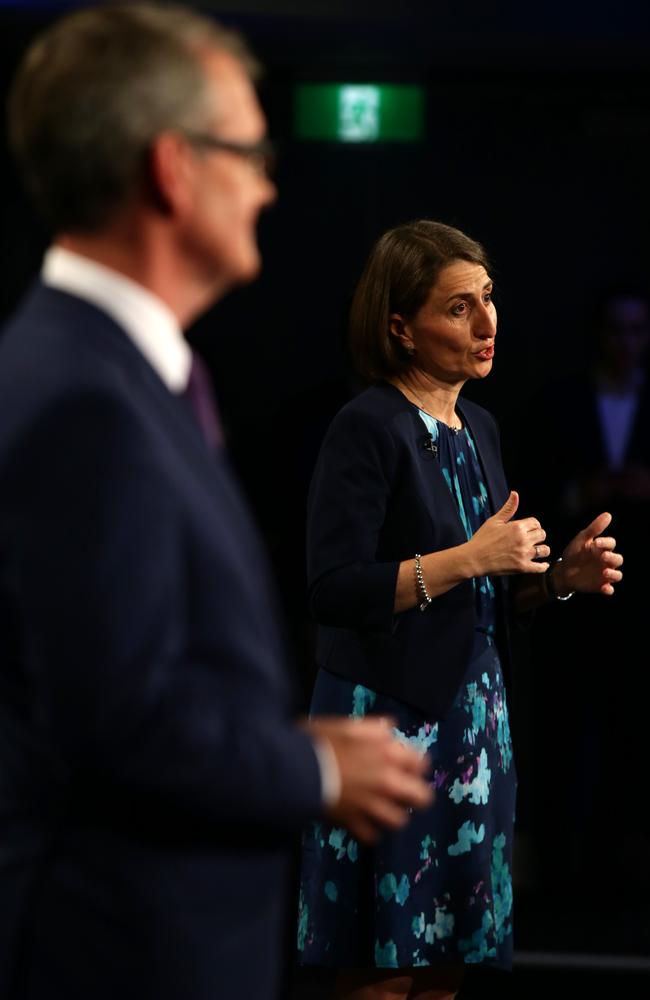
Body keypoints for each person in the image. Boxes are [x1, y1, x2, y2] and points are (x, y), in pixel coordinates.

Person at [0, 7, 433, 1000]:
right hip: (118, 948)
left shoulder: (94, 370)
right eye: (246, 150)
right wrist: (315, 774)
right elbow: (119, 725)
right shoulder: (81, 401)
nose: (269, 185)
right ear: (172, 168)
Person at [297, 220, 624, 1000]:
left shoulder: (479, 426)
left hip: (476, 728)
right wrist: (470, 558)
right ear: (400, 327)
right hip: (387, 721)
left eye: (488, 300)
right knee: (383, 967)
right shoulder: (368, 427)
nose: (487, 324)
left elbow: (491, 598)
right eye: (457, 308)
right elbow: (334, 588)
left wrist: (557, 579)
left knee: (449, 962)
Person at [513, 286, 650, 897]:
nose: (626, 343)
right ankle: (555, 869)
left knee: (631, 733)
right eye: (616, 330)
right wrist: (582, 491)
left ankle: (614, 868)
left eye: (637, 330)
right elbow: (532, 487)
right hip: (569, 595)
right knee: (561, 731)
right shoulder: (560, 402)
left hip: (639, 603)